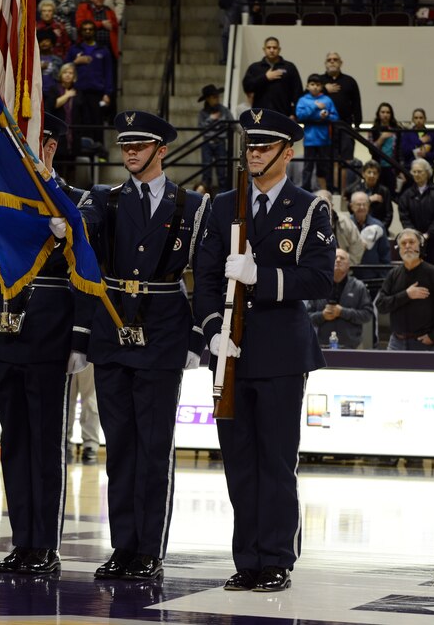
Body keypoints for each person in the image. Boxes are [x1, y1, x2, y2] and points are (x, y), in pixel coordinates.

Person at [193, 107, 335, 592]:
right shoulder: (220, 207)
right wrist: (213, 330)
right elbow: (206, 280)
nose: (254, 153)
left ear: (287, 152)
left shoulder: (309, 208)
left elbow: (318, 278)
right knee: (238, 461)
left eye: (264, 146)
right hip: (230, 354)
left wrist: (264, 279)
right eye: (250, 146)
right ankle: (247, 557)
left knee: (276, 460)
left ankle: (276, 557)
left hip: (279, 352)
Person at [76, 111, 210, 582]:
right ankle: (123, 546)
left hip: (163, 332)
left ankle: (149, 549)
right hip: (113, 330)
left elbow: (206, 277)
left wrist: (199, 335)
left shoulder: (191, 205)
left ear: (162, 149)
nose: (130, 152)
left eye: (140, 145)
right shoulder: (103, 200)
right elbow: (81, 235)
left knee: (154, 448)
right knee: (122, 449)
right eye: (125, 145)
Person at [0, 115, 84, 576]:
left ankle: (45, 542)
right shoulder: (2, 202)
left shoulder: (74, 201)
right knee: (14, 443)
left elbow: (86, 264)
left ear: (48, 147)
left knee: (46, 444)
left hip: (49, 335)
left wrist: (53, 188)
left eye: (29, 145)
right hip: (8, 332)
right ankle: (21, 540)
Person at [375, 228, 434, 351]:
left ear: (420, 246)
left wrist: (432, 337)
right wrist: (407, 295)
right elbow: (381, 305)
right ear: (398, 249)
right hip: (396, 343)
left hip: (424, 344)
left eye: (411, 242)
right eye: (403, 243)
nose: (407, 246)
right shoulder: (393, 275)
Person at [306, 248, 374, 349]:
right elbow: (306, 317)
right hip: (323, 348)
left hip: (352, 348)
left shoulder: (359, 287)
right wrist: (322, 315)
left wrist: (342, 312)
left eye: (342, 258)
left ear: (349, 264)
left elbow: (367, 315)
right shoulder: (319, 286)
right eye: (335, 258)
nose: (338, 260)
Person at [66, 20, 114, 151]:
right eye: (85, 29)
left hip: (97, 92)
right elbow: (65, 69)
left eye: (90, 29)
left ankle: (99, 151)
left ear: (95, 32)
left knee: (97, 121)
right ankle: (81, 148)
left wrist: (107, 93)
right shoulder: (74, 49)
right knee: (79, 121)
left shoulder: (103, 51)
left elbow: (109, 73)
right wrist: (75, 62)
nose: (88, 31)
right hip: (77, 92)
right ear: (81, 32)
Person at [320, 52, 363, 193]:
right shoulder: (319, 81)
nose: (332, 62)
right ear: (325, 63)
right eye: (329, 60)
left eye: (335, 60)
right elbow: (306, 95)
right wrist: (324, 89)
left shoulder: (349, 81)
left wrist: (357, 125)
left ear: (341, 62)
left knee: (344, 161)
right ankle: (327, 194)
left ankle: (342, 193)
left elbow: (357, 103)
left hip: (345, 127)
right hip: (324, 128)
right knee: (326, 161)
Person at [396, 158, 434, 267]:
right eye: (414, 172)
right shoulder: (406, 195)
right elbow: (404, 218)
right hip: (415, 244)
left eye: (419, 171)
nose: (416, 174)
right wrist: (416, 236)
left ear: (427, 173)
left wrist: (427, 235)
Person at [295, 74, 338, 192]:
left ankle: (327, 190)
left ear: (321, 87)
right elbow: (300, 116)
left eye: (318, 85)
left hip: (324, 139)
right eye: (312, 84)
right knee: (307, 166)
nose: (315, 87)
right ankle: (305, 190)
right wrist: (315, 107)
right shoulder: (303, 100)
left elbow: (335, 117)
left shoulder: (327, 100)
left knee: (324, 166)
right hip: (309, 139)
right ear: (307, 86)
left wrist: (326, 115)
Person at [241, 37, 302, 116]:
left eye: (275, 48)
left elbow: (298, 92)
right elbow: (247, 87)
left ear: (279, 49)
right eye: (269, 47)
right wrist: (265, 77)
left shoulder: (289, 67)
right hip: (259, 115)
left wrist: (294, 114)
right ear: (264, 49)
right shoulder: (255, 67)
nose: (272, 50)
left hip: (283, 115)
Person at [196, 84, 234, 193]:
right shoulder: (203, 113)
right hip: (207, 143)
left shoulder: (224, 110)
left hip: (220, 142)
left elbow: (232, 124)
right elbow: (200, 128)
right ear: (208, 99)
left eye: (217, 96)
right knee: (206, 172)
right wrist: (210, 119)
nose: (217, 99)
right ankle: (205, 198)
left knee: (222, 172)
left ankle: (223, 198)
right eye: (214, 97)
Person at [314, 190, 364, 266]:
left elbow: (357, 247)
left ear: (332, 205)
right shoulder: (306, 224)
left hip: (345, 270)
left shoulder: (345, 222)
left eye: (326, 204)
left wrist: (346, 267)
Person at [349, 190, 391, 280]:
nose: (362, 207)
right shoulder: (345, 225)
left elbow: (385, 254)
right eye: (358, 204)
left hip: (372, 276)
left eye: (365, 204)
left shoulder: (378, 226)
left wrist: (383, 278)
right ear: (351, 206)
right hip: (349, 276)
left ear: (368, 206)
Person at [345, 160, 393, 230]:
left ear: (378, 176)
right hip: (358, 228)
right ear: (363, 174)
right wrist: (369, 199)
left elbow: (389, 214)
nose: (372, 175)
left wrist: (380, 228)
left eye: (374, 173)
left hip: (378, 228)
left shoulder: (384, 191)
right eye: (369, 172)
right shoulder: (356, 189)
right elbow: (350, 209)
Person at [369, 102, 402, 192]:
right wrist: (381, 138)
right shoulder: (373, 130)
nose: (385, 115)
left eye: (388, 112)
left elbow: (400, 151)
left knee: (392, 194)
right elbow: (371, 150)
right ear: (378, 114)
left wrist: (400, 169)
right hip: (378, 167)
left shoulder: (397, 129)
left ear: (391, 115)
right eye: (383, 112)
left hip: (392, 168)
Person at [397, 108, 434, 175]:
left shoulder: (431, 134)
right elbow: (404, 152)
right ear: (413, 120)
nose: (418, 120)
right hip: (411, 169)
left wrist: (426, 154)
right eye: (416, 118)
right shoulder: (407, 134)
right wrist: (419, 142)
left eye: (421, 118)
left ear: (425, 119)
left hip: (428, 169)